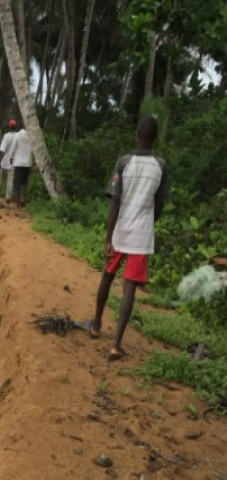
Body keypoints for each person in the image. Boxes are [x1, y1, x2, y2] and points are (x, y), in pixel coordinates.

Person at [90, 116, 169, 360]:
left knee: (108, 275)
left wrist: (109, 237)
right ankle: (115, 344)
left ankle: (96, 324)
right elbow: (160, 205)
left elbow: (115, 201)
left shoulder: (124, 162)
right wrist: (147, 224)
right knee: (130, 289)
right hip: (141, 236)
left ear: (137, 134)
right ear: (155, 138)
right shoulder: (161, 166)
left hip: (120, 230)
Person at [7, 124, 33, 206]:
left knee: (17, 182)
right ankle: (23, 199)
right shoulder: (31, 137)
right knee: (24, 181)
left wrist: (11, 158)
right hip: (28, 163)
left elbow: (13, 148)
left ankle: (17, 202)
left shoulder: (17, 135)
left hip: (18, 163)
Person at [0, 119, 18, 201]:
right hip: (13, 162)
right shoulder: (18, 136)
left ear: (9, 126)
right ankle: (8, 197)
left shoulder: (6, 136)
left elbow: (2, 150)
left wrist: (0, 161)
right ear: (16, 126)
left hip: (5, 162)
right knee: (10, 181)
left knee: (0, 179)